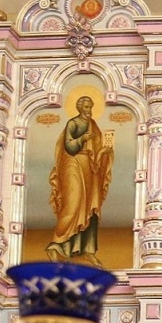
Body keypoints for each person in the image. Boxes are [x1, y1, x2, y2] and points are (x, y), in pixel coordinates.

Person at [47, 95, 114, 266]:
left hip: (90, 169)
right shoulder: (73, 123)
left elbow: (97, 150)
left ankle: (87, 250)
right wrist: (82, 139)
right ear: (79, 108)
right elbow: (69, 146)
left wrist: (105, 151)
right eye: (86, 107)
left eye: (90, 107)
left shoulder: (93, 125)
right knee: (73, 205)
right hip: (73, 166)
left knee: (91, 209)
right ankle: (56, 244)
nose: (89, 110)